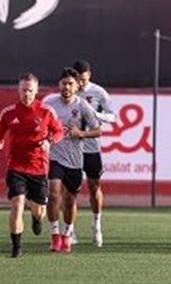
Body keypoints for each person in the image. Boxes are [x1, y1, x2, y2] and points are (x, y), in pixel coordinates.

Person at [0, 73, 64, 258]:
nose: (27, 94)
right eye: (24, 90)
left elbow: (59, 131)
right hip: (16, 167)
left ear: (36, 90)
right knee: (17, 204)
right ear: (18, 89)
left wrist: (49, 141)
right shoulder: (8, 112)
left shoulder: (46, 111)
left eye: (30, 90)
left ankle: (36, 218)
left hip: (38, 168)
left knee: (39, 211)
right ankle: (16, 247)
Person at [44, 67, 102, 253]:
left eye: (70, 84)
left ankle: (67, 234)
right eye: (64, 83)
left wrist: (81, 133)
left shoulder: (83, 106)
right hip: (55, 155)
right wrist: (45, 136)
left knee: (70, 200)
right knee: (53, 193)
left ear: (77, 86)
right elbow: (40, 124)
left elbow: (98, 130)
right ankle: (55, 234)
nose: (67, 87)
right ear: (59, 85)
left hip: (75, 159)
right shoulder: (49, 104)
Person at [72, 60, 118, 247]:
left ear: (89, 75)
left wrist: (95, 115)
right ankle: (70, 230)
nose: (80, 83)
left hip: (91, 147)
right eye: (78, 79)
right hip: (71, 149)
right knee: (70, 191)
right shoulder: (68, 90)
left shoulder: (99, 92)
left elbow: (113, 117)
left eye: (83, 79)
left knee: (94, 187)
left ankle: (96, 223)